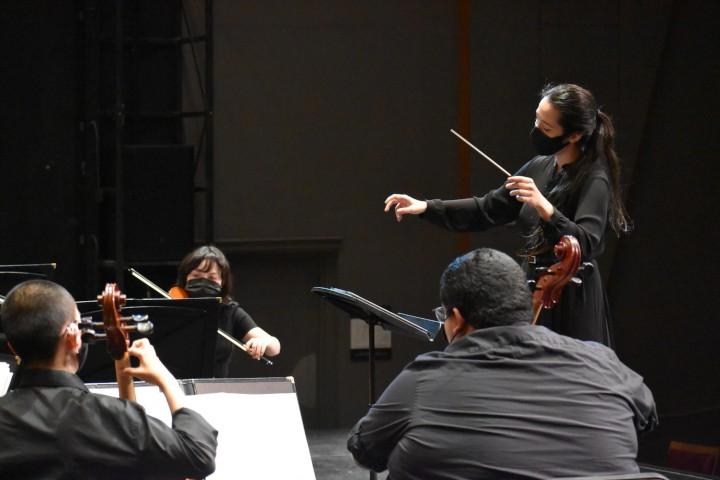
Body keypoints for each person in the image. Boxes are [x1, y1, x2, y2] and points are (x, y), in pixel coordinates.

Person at [347, 248, 657, 480]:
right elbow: (645, 418)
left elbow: (366, 450)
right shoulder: (603, 362)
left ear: (456, 318)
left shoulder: (424, 380)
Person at [384, 83, 629, 346]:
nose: (536, 131)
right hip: (534, 288)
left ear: (573, 135)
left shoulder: (595, 178)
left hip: (569, 298)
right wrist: (425, 207)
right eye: (536, 120)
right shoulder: (540, 167)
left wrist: (545, 208)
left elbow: (586, 242)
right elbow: (487, 208)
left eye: (546, 128)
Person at [0, 280, 218, 479]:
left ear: (12, 347)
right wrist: (166, 380)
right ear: (75, 338)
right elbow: (198, 454)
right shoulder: (105, 418)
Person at [175, 245, 281, 377]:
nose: (203, 282)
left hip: (215, 391)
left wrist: (264, 342)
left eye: (212, 278)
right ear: (185, 277)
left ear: (222, 281)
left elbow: (274, 348)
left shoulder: (229, 312)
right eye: (196, 275)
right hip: (172, 390)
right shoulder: (172, 308)